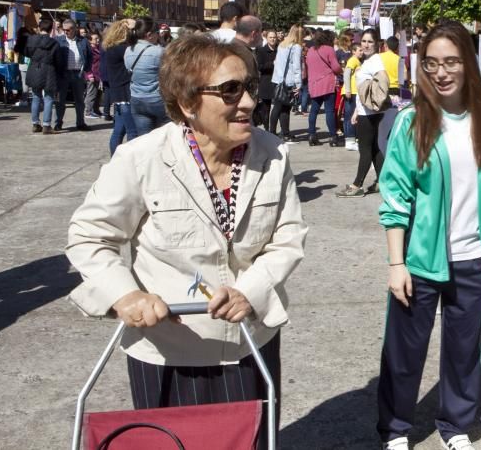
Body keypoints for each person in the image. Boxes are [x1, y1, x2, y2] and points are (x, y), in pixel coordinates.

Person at [67, 35, 308, 450]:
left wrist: (250, 291)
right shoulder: (141, 159)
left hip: (250, 343)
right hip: (167, 353)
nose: (249, 101)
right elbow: (90, 236)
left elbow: (287, 238)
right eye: (230, 91)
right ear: (186, 103)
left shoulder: (273, 154)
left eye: (249, 86)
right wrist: (125, 296)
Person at [376, 21, 481, 450]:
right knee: (405, 354)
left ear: (468, 62)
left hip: (472, 258)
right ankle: (395, 429)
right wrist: (396, 263)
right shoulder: (412, 120)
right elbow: (395, 197)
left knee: (464, 352)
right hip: (420, 260)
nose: (441, 72)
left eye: (450, 62)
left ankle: (455, 425)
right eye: (431, 64)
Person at [336, 28, 385, 197]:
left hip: (370, 112)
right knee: (374, 147)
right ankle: (381, 181)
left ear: (377, 44)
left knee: (365, 149)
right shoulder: (368, 60)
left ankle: (357, 184)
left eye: (370, 41)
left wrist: (372, 103)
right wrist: (357, 110)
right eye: (364, 41)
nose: (366, 44)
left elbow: (382, 81)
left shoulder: (375, 61)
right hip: (366, 111)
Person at [124, 16, 169, 136]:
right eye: (157, 33)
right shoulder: (158, 52)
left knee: (144, 138)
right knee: (164, 136)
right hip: (156, 99)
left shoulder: (128, 50)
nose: (158, 36)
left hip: (137, 98)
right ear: (149, 35)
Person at [103, 19, 139, 155]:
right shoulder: (122, 49)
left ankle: (114, 159)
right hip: (125, 93)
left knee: (119, 130)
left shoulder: (111, 48)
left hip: (117, 92)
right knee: (132, 132)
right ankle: (128, 163)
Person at [25, 19, 63, 134]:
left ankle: (35, 124)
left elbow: (26, 53)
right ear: (51, 29)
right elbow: (58, 60)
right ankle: (46, 125)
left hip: (34, 69)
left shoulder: (31, 40)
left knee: (36, 97)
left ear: (39, 28)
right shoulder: (54, 43)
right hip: (49, 71)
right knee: (48, 98)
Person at [305, 29, 342, 146]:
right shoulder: (329, 49)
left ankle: (311, 135)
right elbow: (336, 67)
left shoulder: (311, 50)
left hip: (314, 84)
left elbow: (308, 65)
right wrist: (341, 70)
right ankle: (333, 137)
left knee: (314, 111)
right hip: (327, 83)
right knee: (329, 111)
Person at [55, 18, 92, 132]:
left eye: (68, 29)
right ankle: (58, 123)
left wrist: (86, 69)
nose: (66, 32)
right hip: (63, 73)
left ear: (74, 29)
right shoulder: (58, 40)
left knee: (79, 100)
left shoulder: (83, 41)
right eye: (64, 29)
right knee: (60, 100)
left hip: (78, 73)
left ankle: (80, 123)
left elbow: (89, 56)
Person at [270, 25, 302, 141]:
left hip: (277, 80)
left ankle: (280, 132)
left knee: (279, 107)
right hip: (288, 81)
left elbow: (277, 63)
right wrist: (298, 84)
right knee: (283, 108)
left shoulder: (282, 44)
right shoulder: (296, 47)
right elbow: (297, 67)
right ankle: (280, 132)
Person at [254, 29, 278, 129]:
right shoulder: (261, 50)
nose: (273, 39)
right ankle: (266, 128)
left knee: (278, 108)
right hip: (266, 82)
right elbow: (259, 67)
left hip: (278, 82)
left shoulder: (280, 49)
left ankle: (274, 130)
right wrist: (272, 64)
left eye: (274, 37)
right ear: (267, 39)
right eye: (270, 37)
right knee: (266, 108)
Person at [343, 42, 363, 151]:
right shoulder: (353, 60)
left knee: (349, 116)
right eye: (359, 50)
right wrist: (348, 90)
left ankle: (349, 139)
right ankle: (350, 140)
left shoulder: (357, 61)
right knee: (351, 116)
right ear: (353, 51)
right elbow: (346, 74)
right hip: (352, 92)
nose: (361, 52)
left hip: (354, 91)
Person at [83, 32, 104, 119]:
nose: (98, 40)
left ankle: (96, 110)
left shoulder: (98, 49)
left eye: (98, 38)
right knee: (91, 93)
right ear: (90, 41)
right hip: (92, 74)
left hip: (99, 74)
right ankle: (88, 111)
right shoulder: (89, 50)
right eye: (95, 39)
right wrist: (89, 74)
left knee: (98, 94)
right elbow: (87, 63)